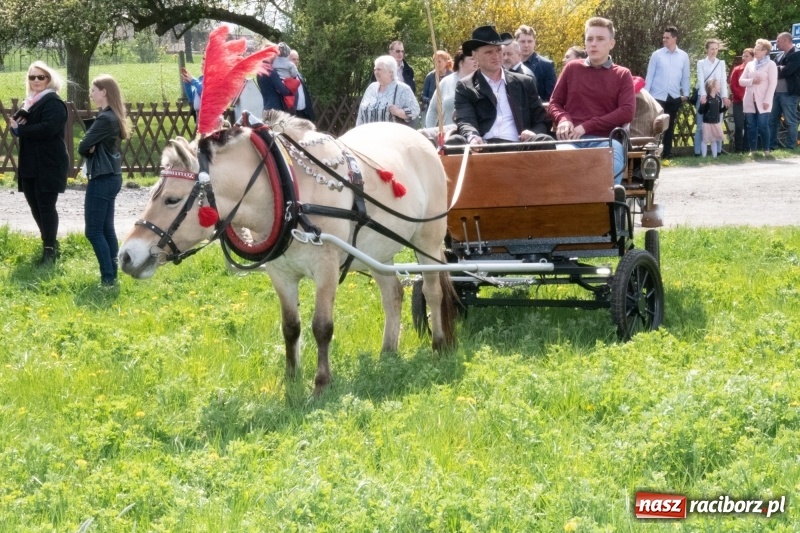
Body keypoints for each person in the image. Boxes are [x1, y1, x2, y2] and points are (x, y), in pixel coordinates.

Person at [548, 17, 635, 184]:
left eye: (600, 39)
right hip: (571, 140)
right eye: (589, 39)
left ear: (611, 43)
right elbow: (554, 103)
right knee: (564, 168)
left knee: (610, 168)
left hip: (606, 140)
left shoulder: (622, 74)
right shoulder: (572, 68)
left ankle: (610, 200)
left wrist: (587, 126)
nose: (593, 44)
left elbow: (627, 111)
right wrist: (564, 119)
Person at [451, 25, 552, 149]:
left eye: (498, 50)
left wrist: (533, 133)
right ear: (475, 55)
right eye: (489, 52)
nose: (496, 56)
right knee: (454, 142)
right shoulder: (465, 86)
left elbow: (541, 120)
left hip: (519, 146)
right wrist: (472, 137)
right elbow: (466, 119)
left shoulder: (525, 82)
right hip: (481, 147)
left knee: (544, 140)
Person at [9, 61, 69, 266]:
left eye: (40, 77)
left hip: (49, 163)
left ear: (49, 79)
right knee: (34, 204)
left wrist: (21, 130)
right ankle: (49, 242)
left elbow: (47, 129)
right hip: (30, 162)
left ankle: (50, 250)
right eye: (32, 77)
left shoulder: (53, 102)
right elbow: (17, 127)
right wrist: (17, 127)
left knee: (45, 206)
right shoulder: (30, 102)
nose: (36, 80)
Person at [78, 75, 130, 287]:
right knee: (106, 228)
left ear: (104, 92)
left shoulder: (105, 119)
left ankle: (108, 278)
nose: (90, 94)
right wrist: (90, 146)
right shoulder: (111, 116)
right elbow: (88, 146)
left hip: (102, 177)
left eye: (93, 90)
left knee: (93, 231)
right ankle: (112, 275)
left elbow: (83, 146)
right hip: (111, 176)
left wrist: (89, 147)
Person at [644, 26, 690, 159]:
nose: (664, 39)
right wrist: (646, 94)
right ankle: (651, 153)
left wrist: (686, 94)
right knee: (654, 126)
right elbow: (650, 76)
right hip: (657, 96)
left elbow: (685, 76)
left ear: (674, 38)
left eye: (667, 37)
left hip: (674, 96)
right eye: (663, 37)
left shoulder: (683, 56)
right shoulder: (657, 55)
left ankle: (667, 153)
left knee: (669, 126)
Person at [739, 39, 778, 156]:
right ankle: (753, 150)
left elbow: (773, 84)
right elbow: (741, 81)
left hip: (764, 100)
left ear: (765, 51)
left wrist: (767, 100)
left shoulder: (771, 64)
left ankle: (766, 149)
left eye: (758, 49)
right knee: (751, 126)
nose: (755, 51)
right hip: (749, 100)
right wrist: (751, 81)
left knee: (762, 125)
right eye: (755, 48)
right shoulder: (750, 64)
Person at [356, 55, 419, 126]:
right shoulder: (371, 88)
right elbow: (361, 113)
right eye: (375, 69)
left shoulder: (403, 89)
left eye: (379, 69)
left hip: (392, 132)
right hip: (368, 132)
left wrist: (398, 112)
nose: (376, 72)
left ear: (390, 72)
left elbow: (415, 111)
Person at [693, 39, 730, 156]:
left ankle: (718, 151)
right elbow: (700, 80)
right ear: (707, 50)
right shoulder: (701, 63)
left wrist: (724, 96)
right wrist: (703, 95)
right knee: (700, 126)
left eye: (716, 49)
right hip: (703, 96)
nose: (714, 51)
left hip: (717, 97)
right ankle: (697, 152)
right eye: (712, 49)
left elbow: (723, 81)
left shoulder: (721, 63)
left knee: (717, 124)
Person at [771, 32, 800, 150]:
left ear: (785, 40)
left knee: (790, 120)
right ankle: (772, 146)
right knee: (772, 120)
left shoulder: (797, 54)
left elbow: (787, 71)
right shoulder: (778, 56)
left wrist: (778, 69)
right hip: (776, 93)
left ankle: (790, 146)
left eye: (778, 41)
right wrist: (780, 69)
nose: (776, 43)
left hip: (789, 93)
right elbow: (772, 72)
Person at [515, 25, 556, 101]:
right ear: (516, 43)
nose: (526, 45)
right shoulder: (510, 64)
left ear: (535, 42)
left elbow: (551, 98)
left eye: (530, 41)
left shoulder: (547, 66)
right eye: (522, 41)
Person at [729, 49, 754, 153]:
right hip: (738, 101)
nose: (744, 58)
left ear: (752, 58)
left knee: (749, 124)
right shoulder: (737, 69)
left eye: (747, 56)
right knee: (739, 125)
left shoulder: (755, 69)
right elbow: (733, 85)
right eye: (743, 56)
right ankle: (738, 149)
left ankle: (747, 148)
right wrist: (742, 96)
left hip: (751, 101)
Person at [697, 78, 726, 158]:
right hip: (707, 123)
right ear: (713, 88)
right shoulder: (706, 99)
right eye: (718, 85)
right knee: (705, 140)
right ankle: (704, 156)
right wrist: (703, 104)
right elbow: (700, 112)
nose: (720, 86)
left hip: (715, 122)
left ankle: (715, 156)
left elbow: (719, 111)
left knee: (714, 140)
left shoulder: (718, 99)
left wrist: (725, 107)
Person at [289, 49, 316, 122]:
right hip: (293, 113)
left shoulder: (299, 75)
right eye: (293, 59)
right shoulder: (286, 76)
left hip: (303, 112)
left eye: (297, 59)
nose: (296, 61)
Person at [181, 56, 204, 120]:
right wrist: (187, 83)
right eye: (201, 64)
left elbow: (203, 91)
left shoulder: (211, 79)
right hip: (198, 117)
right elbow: (191, 98)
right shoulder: (200, 79)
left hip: (209, 116)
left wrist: (192, 80)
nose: (202, 67)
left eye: (204, 65)